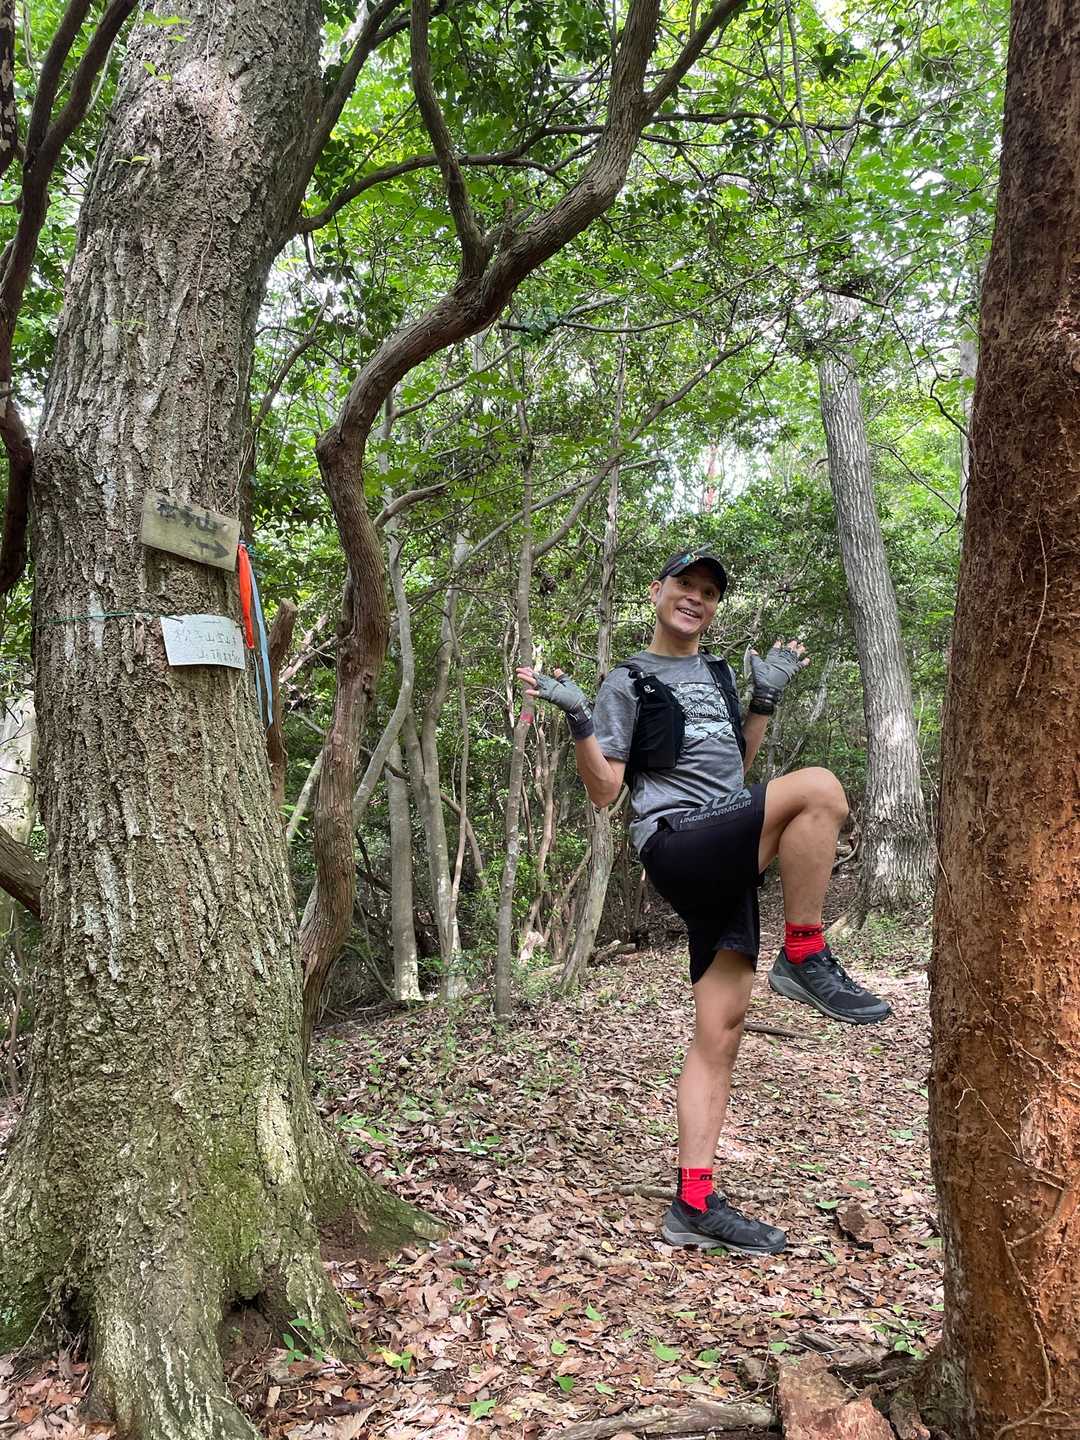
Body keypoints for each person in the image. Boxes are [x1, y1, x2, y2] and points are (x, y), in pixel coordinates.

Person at [517, 545, 890, 1256]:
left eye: (709, 592)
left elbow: (733, 771)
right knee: (820, 788)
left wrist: (762, 701)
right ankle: (804, 953)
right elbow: (605, 793)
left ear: (715, 608)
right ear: (657, 592)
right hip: (677, 840)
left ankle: (693, 1202)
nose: (695, 597)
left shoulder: (718, 673)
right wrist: (580, 719)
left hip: (724, 843)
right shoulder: (629, 680)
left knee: (721, 1031)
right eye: (684, 585)